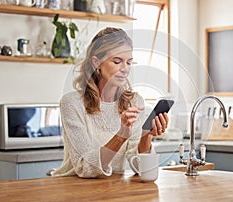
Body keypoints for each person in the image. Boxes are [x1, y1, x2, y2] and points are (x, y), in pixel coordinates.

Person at [52, 27, 169, 178]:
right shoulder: (72, 103)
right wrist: (121, 135)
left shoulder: (134, 102)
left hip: (111, 191)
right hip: (73, 190)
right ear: (96, 63)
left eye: (129, 62)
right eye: (117, 61)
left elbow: (140, 169)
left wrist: (146, 136)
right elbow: (86, 168)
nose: (125, 69)